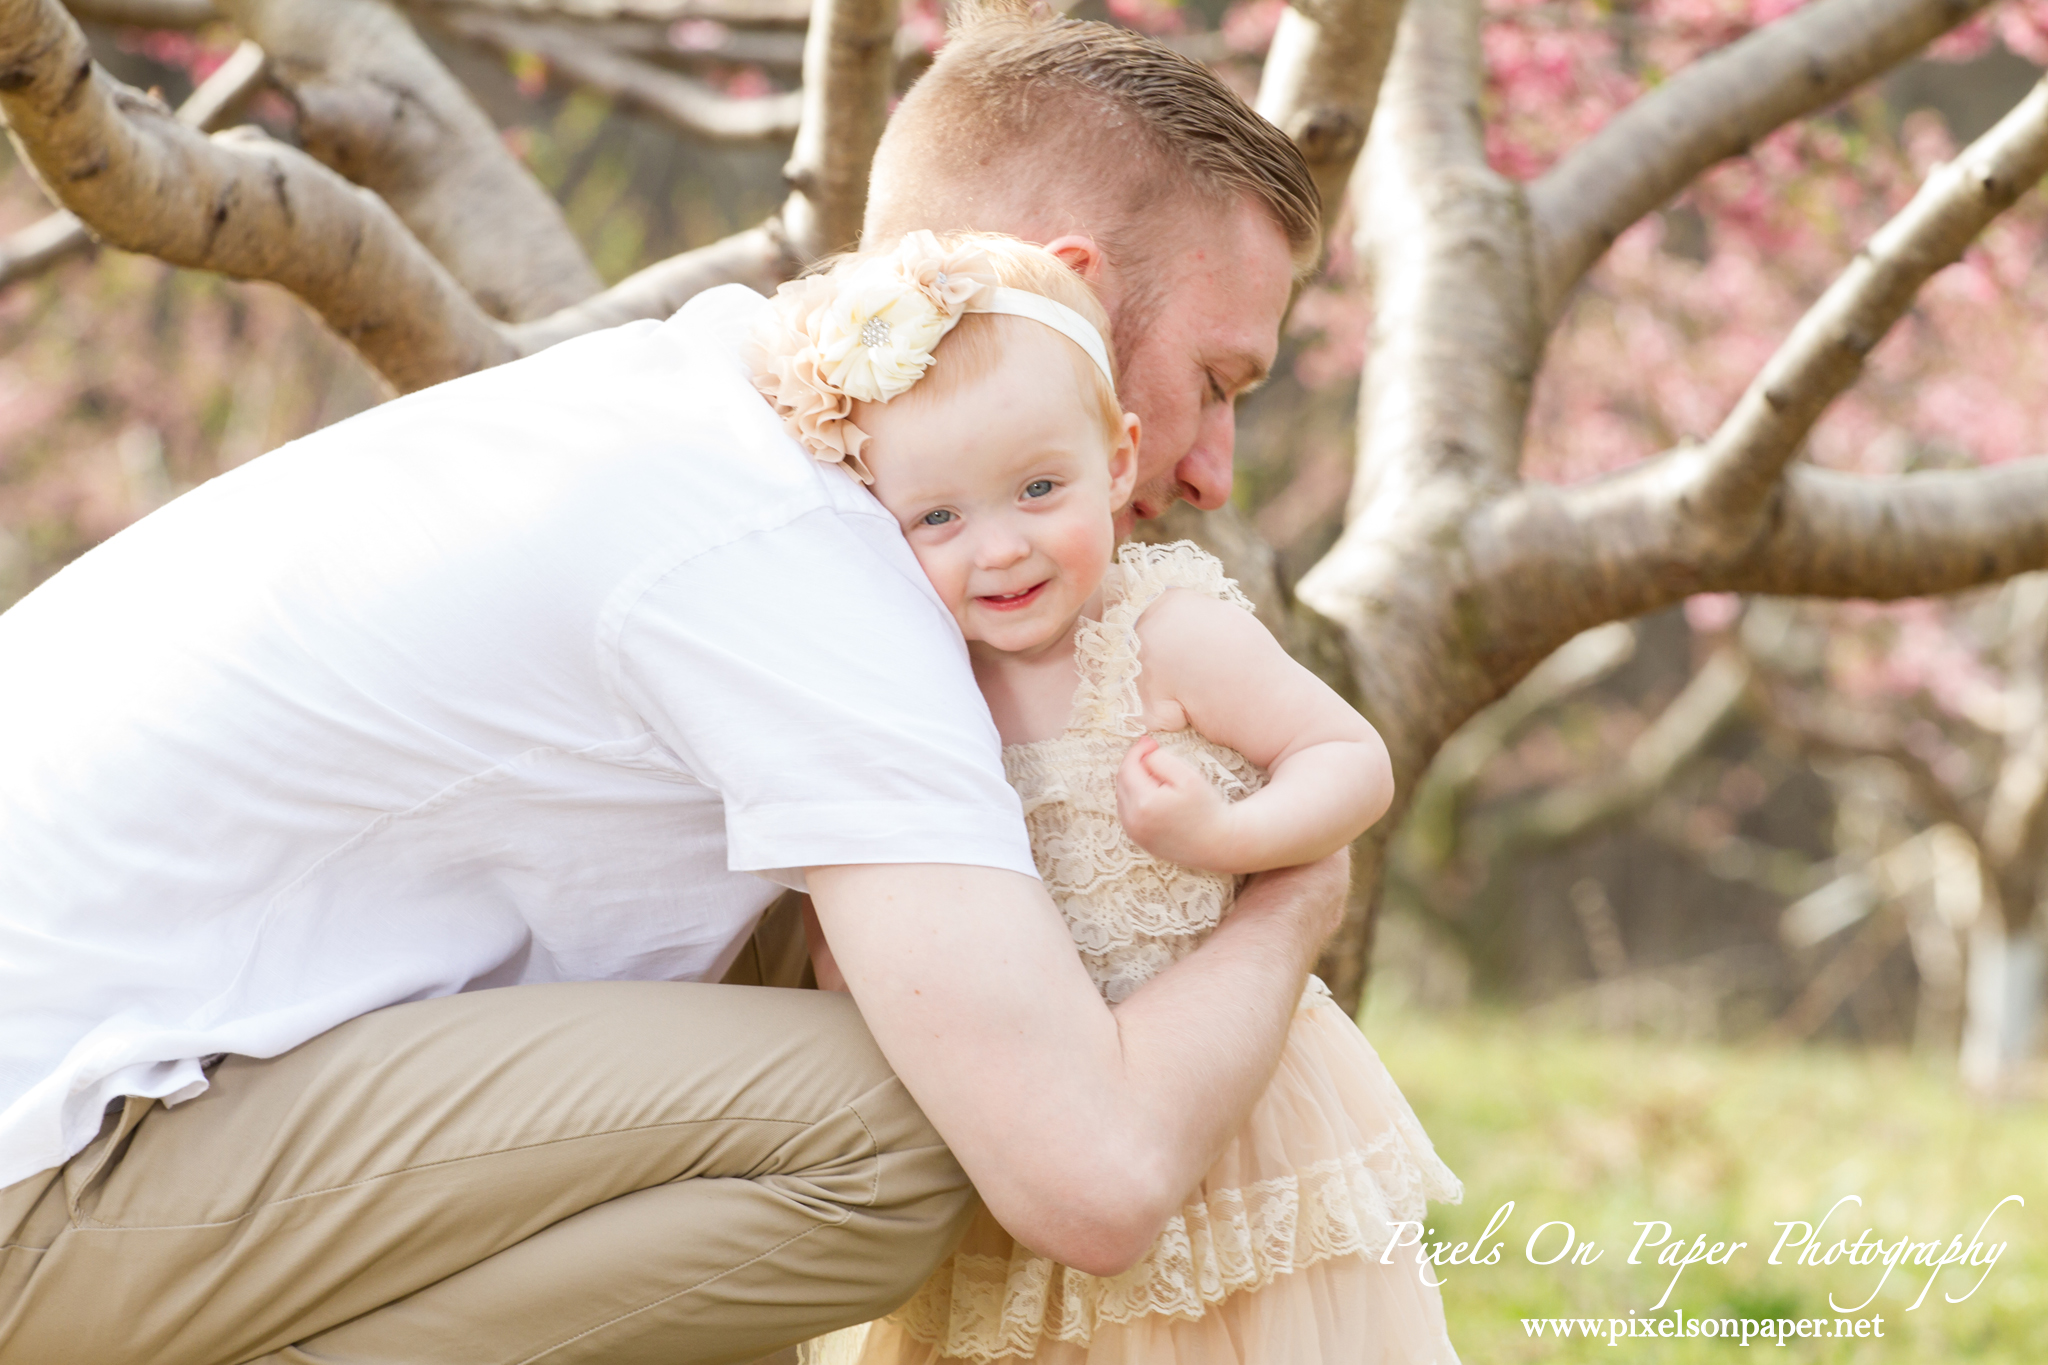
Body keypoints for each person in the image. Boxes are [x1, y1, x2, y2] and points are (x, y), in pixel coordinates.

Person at [0, 9, 1336, 1365]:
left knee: (771, 1060)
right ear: (1077, 300)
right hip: (50, 1164)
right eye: (1216, 383)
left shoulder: (706, 406)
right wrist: (1295, 896)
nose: (1217, 468)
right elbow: (1086, 1176)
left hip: (93, 1092)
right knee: (900, 1142)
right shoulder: (806, 562)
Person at [751, 233, 1461, 1364]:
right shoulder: (920, 686)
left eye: (1039, 489)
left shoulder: (1161, 629)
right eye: (936, 519)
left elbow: (1346, 757)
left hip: (1227, 1125)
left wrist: (1231, 831)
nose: (1001, 548)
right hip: (1023, 1127)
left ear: (1118, 457)